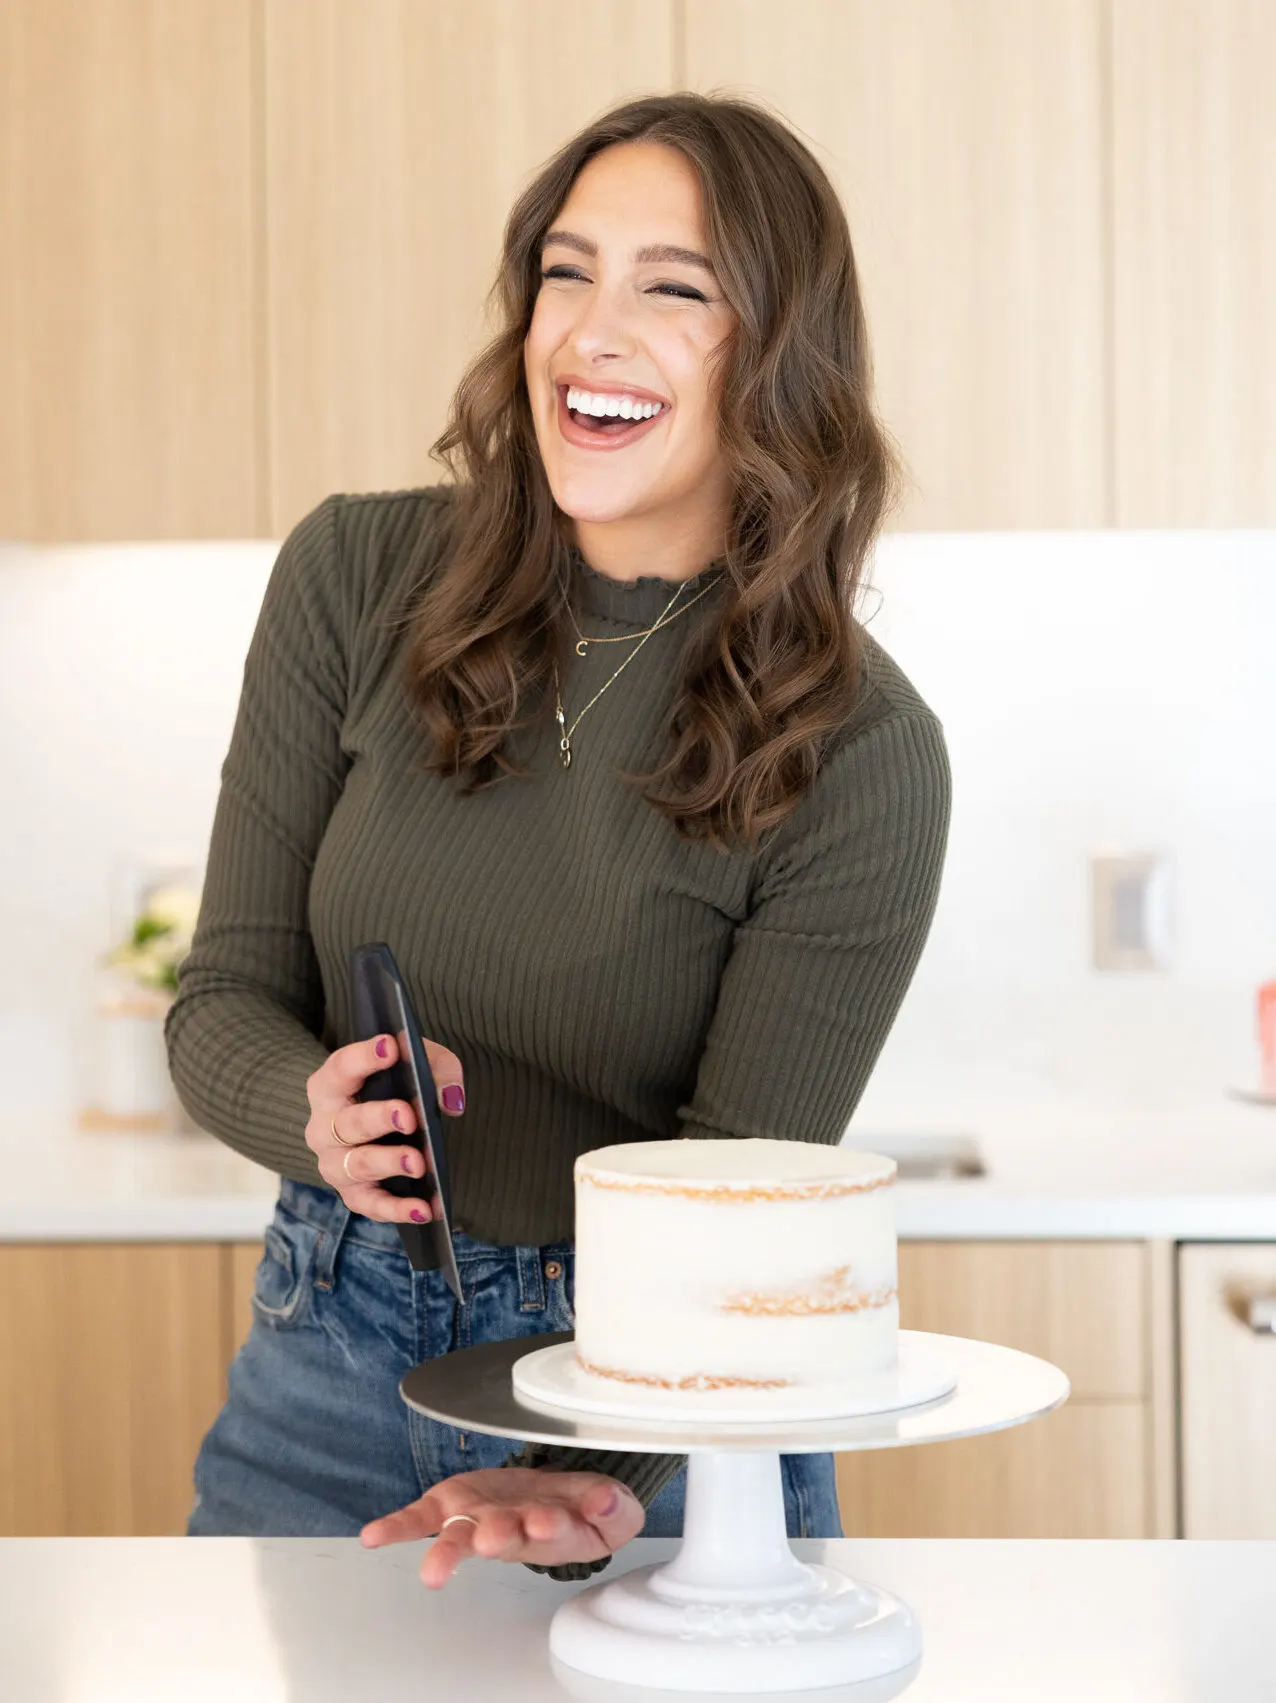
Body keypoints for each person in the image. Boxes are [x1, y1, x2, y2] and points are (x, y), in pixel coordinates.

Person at [169, 90, 951, 1592]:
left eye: (676, 288)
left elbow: (740, 1201)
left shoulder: (861, 750)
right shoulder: (354, 574)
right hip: (325, 1354)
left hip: (668, 1402)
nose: (593, 328)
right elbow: (222, 1001)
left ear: (782, 356)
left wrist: (593, 1473)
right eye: (566, 270)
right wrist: (313, 1114)